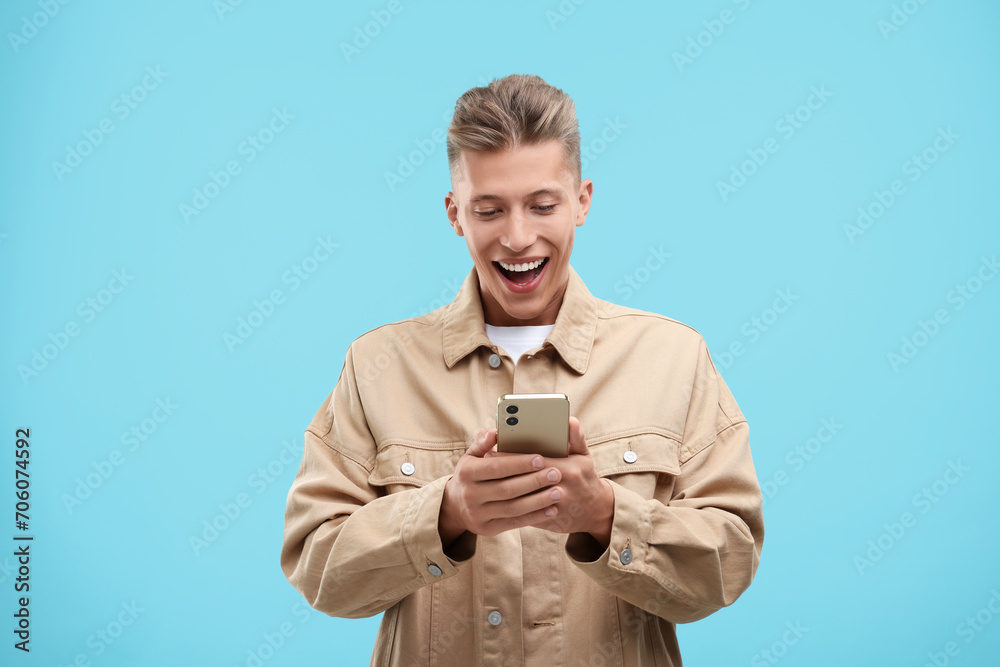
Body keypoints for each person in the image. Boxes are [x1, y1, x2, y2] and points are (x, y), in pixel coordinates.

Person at [281, 73, 764, 666]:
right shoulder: (376, 366)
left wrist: (608, 517)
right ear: (455, 213)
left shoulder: (674, 357)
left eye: (542, 205)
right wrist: (445, 513)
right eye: (489, 209)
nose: (517, 237)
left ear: (582, 201)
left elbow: (729, 564)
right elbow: (317, 568)